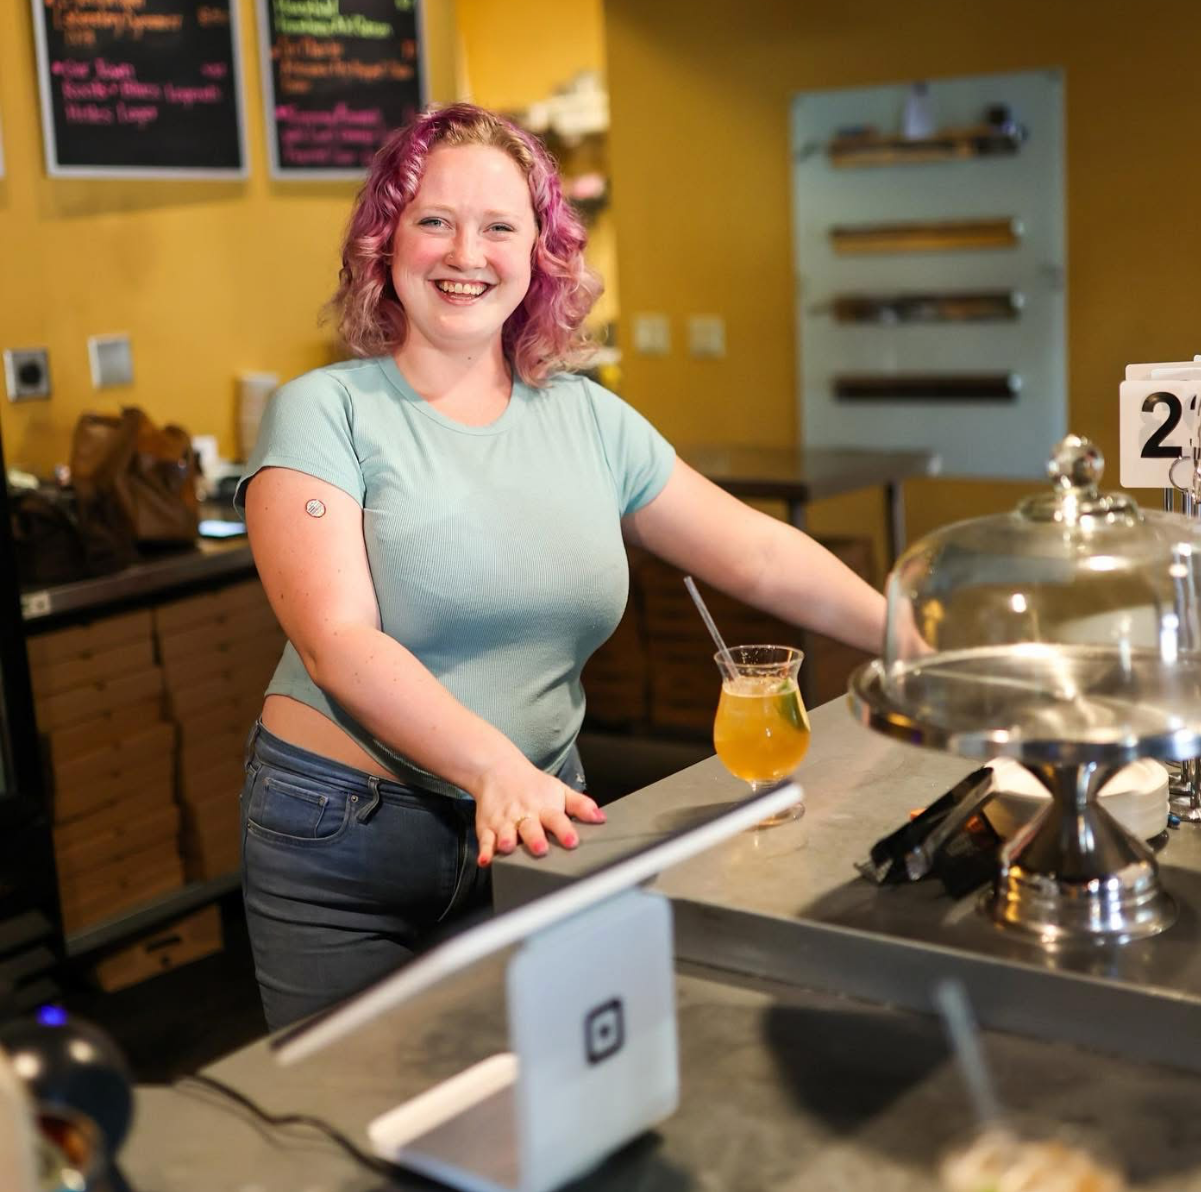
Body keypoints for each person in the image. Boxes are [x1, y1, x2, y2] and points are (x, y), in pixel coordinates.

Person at [236, 102, 886, 1030]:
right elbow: (339, 640)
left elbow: (758, 552)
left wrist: (917, 638)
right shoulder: (325, 411)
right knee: (353, 1134)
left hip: (536, 814)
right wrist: (492, 767)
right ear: (385, 242)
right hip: (347, 833)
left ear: (540, 250)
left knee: (553, 1095)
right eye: (435, 221)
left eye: (500, 226)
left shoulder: (587, 416)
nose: (468, 253)